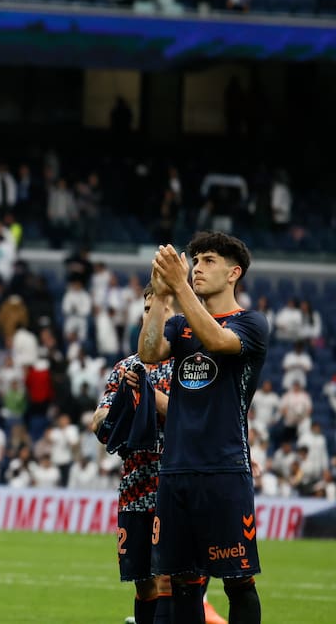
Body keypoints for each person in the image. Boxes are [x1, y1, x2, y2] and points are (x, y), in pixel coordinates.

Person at [139, 231, 267, 624]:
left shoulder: (251, 323)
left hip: (223, 469)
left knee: (238, 582)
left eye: (208, 260)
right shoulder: (179, 327)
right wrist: (161, 296)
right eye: (194, 260)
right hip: (176, 470)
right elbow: (148, 353)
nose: (197, 268)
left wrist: (179, 287)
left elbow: (217, 340)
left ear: (234, 273)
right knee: (181, 583)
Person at [91, 285, 174, 624]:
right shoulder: (126, 366)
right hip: (135, 486)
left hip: (173, 485)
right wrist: (117, 412)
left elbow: (189, 417)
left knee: (172, 578)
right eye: (147, 307)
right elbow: (100, 422)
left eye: (163, 308)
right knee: (143, 584)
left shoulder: (190, 363)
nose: (153, 314)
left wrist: (148, 393)